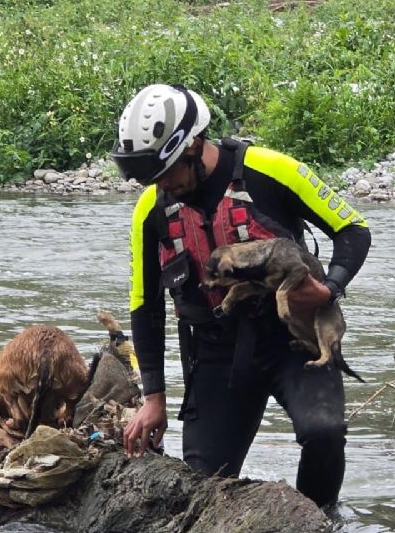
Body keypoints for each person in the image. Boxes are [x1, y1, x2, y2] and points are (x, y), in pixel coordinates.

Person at [112, 83, 371, 509]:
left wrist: (328, 288)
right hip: (216, 355)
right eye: (149, 177)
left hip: (295, 341)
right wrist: (153, 397)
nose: (160, 185)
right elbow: (146, 306)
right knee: (201, 488)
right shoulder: (150, 210)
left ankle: (317, 518)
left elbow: (353, 231)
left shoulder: (271, 170)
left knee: (323, 433)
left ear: (193, 146)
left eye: (165, 173)